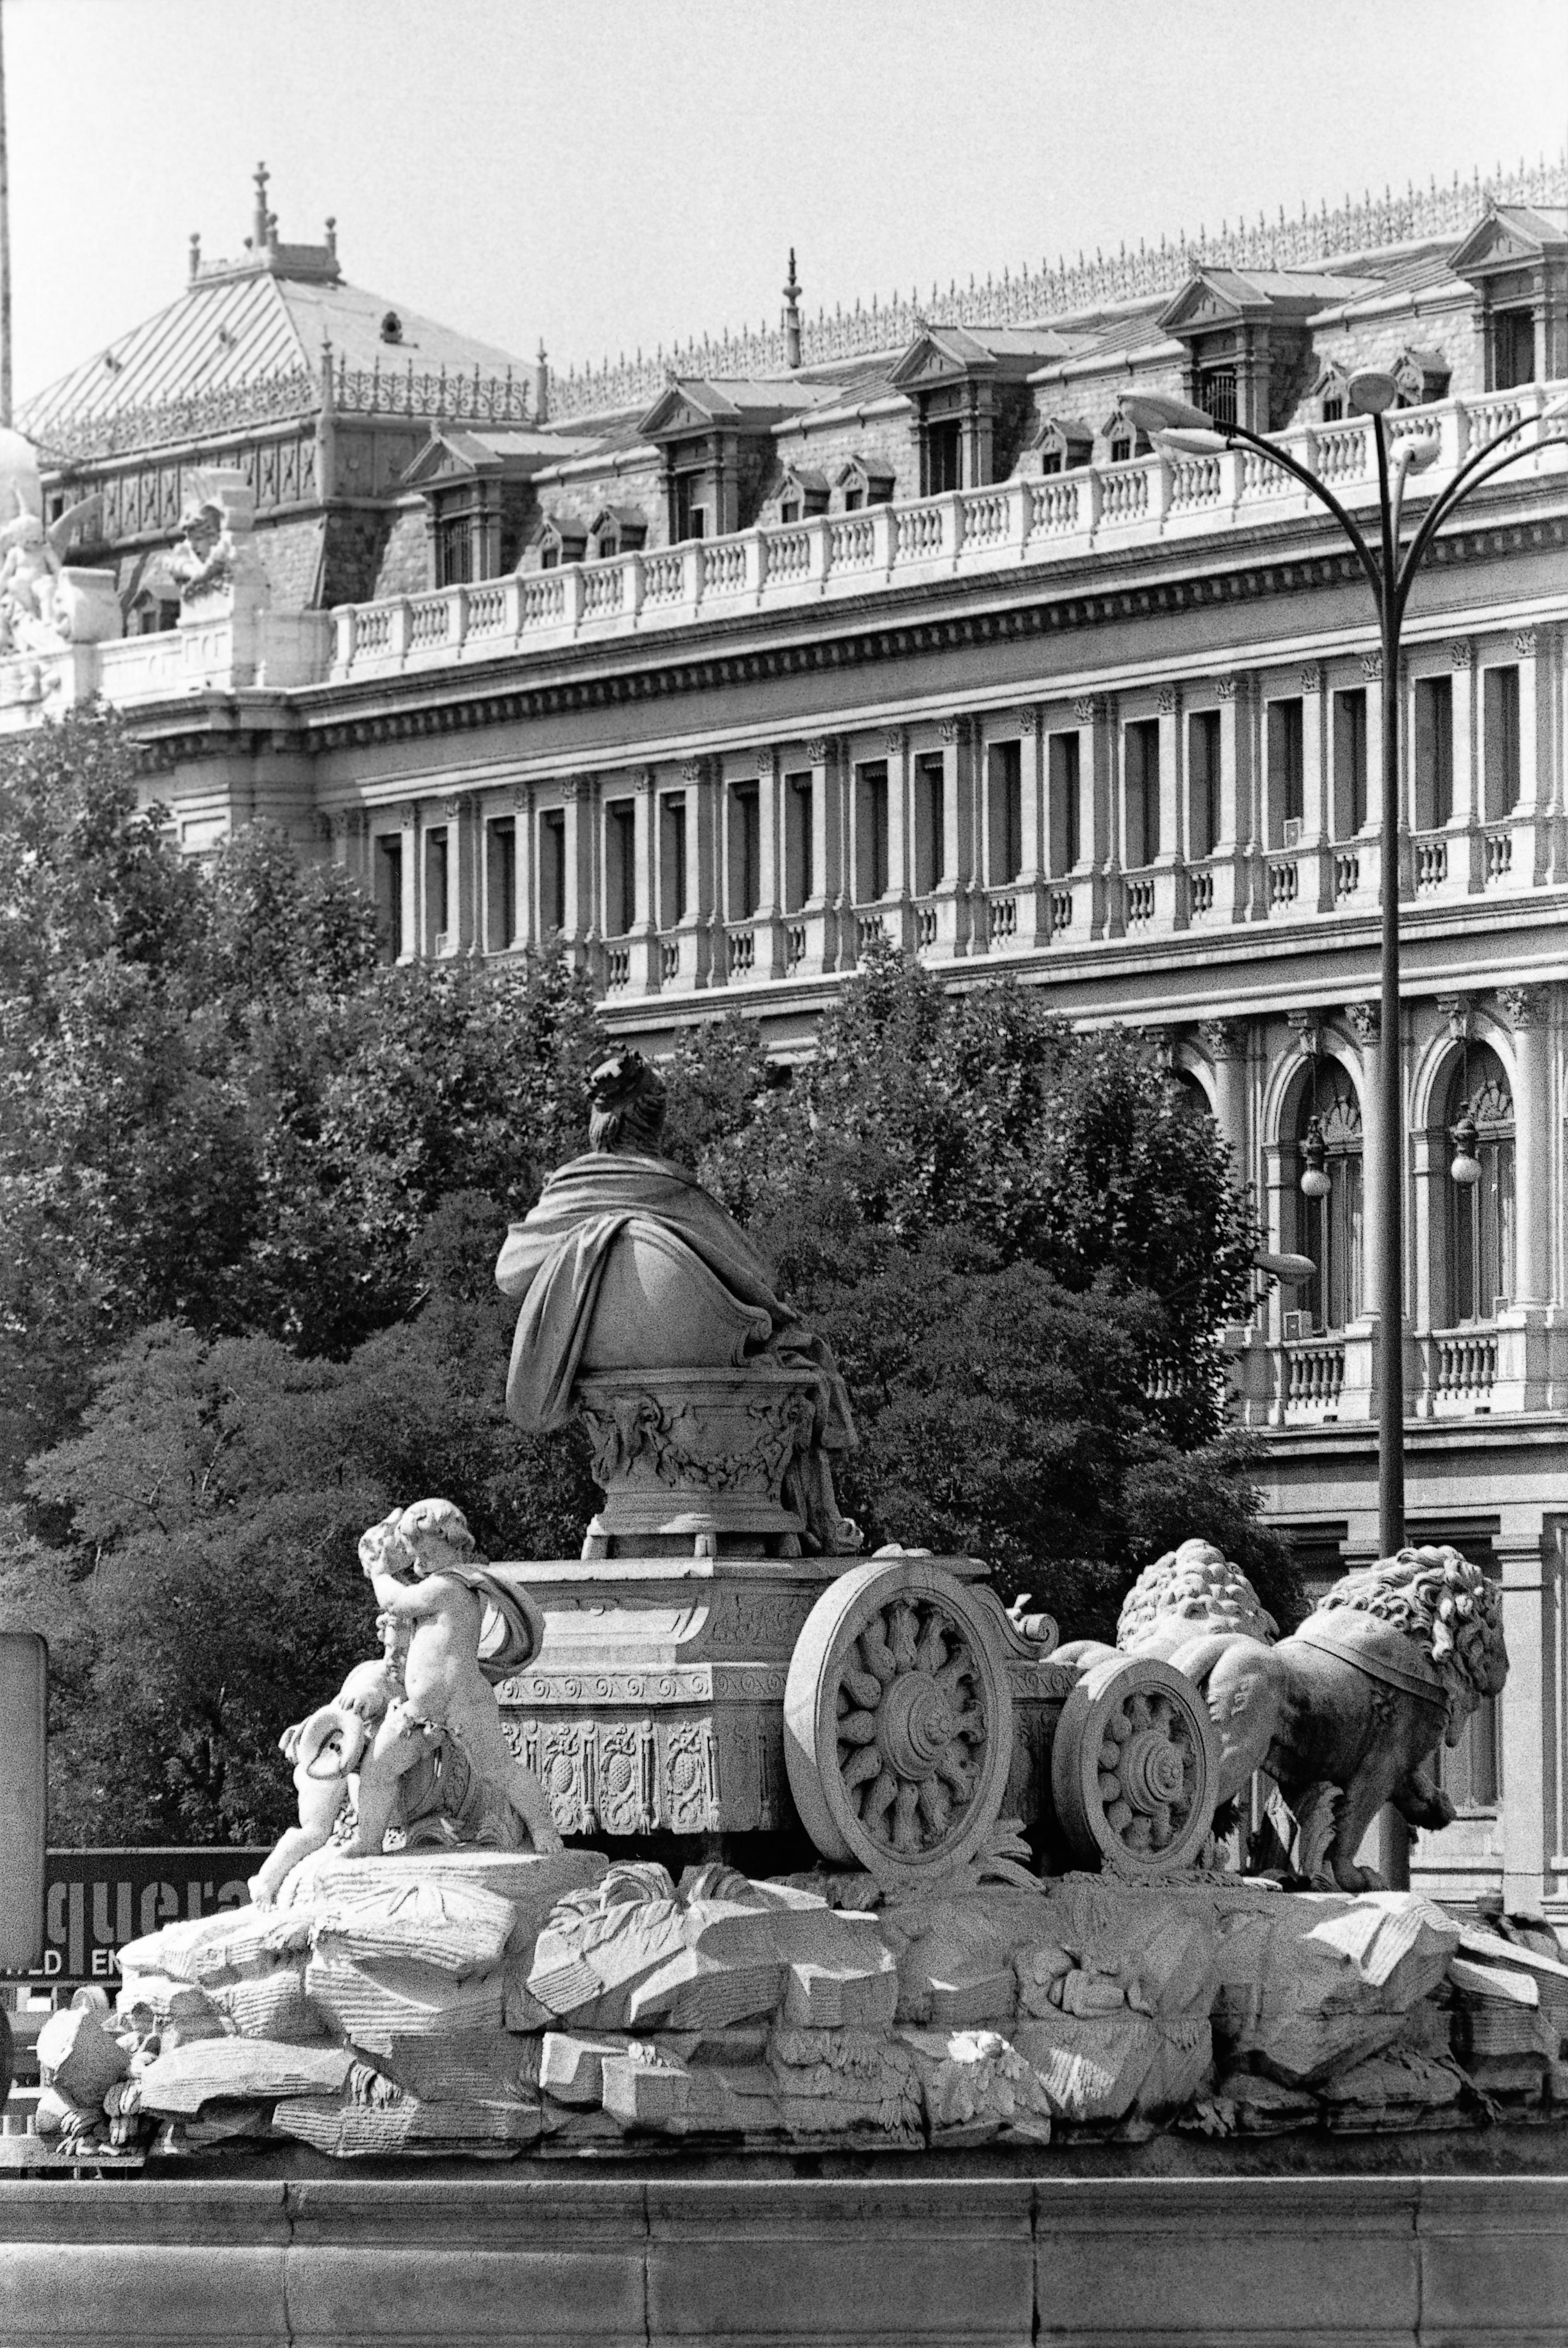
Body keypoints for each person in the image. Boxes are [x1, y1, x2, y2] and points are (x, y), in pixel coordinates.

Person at [495, 1050, 859, 1552]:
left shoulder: (565, 1195)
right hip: (715, 1398)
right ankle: (822, 1521)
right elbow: (759, 1277)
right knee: (798, 1351)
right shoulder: (673, 1191)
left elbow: (510, 1273)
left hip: (611, 1403)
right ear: (656, 1123)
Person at [350, 1499, 562, 1858]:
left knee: (500, 1770)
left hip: (464, 1703)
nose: (416, 1559)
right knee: (378, 1768)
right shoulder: (438, 1586)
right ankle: (369, 1841)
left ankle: (544, 1832)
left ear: (448, 1542)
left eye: (422, 1549)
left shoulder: (449, 1587)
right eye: (413, 1551)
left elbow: (396, 1602)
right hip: (421, 1709)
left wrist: (378, 1571)